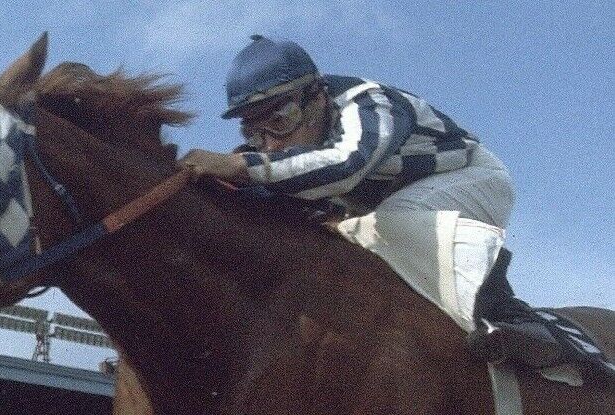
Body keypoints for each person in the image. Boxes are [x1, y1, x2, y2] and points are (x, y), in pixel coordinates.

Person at [181, 35, 557, 361]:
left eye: (279, 121)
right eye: (256, 131)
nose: (272, 143)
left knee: (391, 220)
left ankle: (513, 319)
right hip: (394, 200)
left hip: (472, 178)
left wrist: (245, 167)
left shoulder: (370, 103)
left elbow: (348, 165)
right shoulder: (289, 137)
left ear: (317, 96)